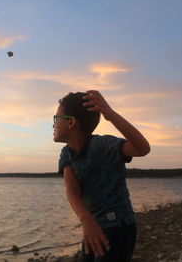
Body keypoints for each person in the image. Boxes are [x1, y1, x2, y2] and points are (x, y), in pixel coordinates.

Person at [53, 90, 150, 262]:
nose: (53, 125)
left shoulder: (103, 145)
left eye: (56, 118)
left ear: (71, 122)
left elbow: (142, 149)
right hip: (91, 225)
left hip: (118, 227)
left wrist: (110, 114)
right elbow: (72, 189)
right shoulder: (66, 153)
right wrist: (86, 221)